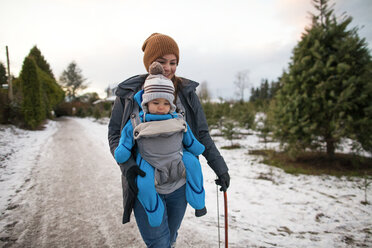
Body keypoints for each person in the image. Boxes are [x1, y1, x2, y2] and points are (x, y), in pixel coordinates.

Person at [108, 33, 230, 248]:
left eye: (173, 62)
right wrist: (128, 166)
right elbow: (116, 135)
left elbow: (200, 134)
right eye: (161, 62)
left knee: (171, 236)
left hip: (179, 183)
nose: (168, 68)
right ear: (149, 64)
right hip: (145, 179)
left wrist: (219, 167)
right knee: (159, 243)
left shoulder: (186, 93)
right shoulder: (128, 93)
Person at [114, 61, 207, 228]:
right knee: (144, 183)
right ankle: (154, 214)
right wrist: (123, 152)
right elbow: (126, 139)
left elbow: (188, 137)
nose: (161, 107)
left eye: (165, 103)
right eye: (156, 103)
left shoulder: (177, 119)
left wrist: (196, 148)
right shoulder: (137, 121)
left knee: (193, 164)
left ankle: (199, 203)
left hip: (176, 156)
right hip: (149, 160)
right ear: (146, 103)